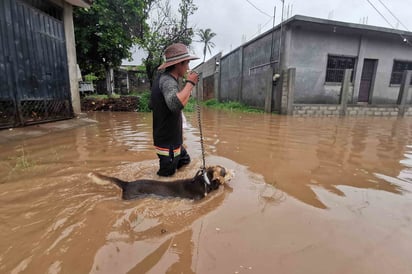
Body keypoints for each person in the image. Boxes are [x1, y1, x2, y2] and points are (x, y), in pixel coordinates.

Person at [150, 43, 199, 177]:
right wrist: (190, 83)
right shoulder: (168, 81)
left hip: (171, 140)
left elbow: (179, 103)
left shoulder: (165, 79)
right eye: (187, 63)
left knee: (185, 161)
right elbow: (175, 104)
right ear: (178, 64)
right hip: (168, 144)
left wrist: (189, 87)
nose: (188, 67)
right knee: (165, 179)